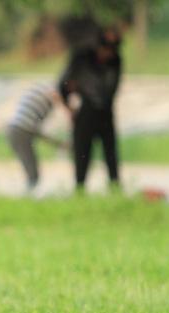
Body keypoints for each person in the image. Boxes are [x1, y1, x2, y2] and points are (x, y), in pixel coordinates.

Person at [59, 27, 122, 191]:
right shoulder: (81, 58)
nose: (108, 53)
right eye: (106, 49)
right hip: (85, 111)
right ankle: (80, 188)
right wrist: (69, 107)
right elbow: (63, 85)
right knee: (82, 153)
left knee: (110, 153)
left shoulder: (115, 61)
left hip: (105, 112)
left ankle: (114, 187)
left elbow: (111, 90)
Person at [6, 82, 69, 192]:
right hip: (20, 132)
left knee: (31, 171)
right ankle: (27, 198)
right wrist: (58, 143)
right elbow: (35, 130)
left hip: (13, 129)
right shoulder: (50, 94)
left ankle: (28, 194)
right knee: (33, 174)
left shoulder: (40, 89)